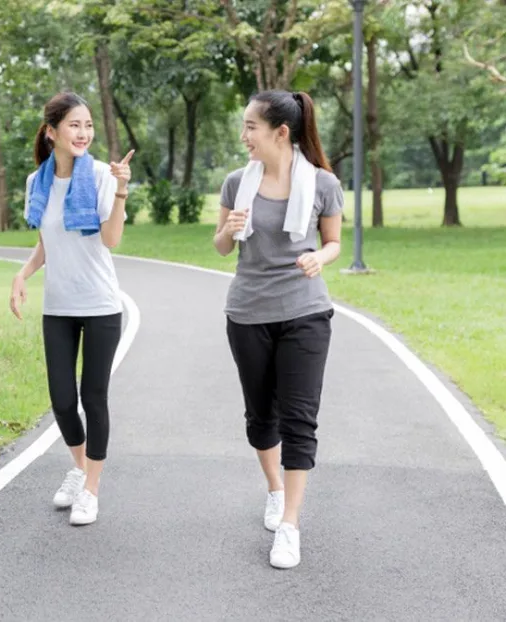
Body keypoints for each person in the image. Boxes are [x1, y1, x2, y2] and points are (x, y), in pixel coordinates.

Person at [213, 90, 343, 569]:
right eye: (244, 125)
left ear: (280, 132)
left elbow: (333, 243)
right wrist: (230, 229)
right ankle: (274, 489)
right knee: (260, 416)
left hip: (306, 312)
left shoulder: (323, 184)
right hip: (248, 314)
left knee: (299, 420)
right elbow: (221, 248)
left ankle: (290, 524)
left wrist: (318, 257)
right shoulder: (235, 184)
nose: (244, 135)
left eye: (250, 126)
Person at [9, 91, 133, 526]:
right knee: (62, 401)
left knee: (91, 397)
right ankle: (79, 468)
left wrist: (120, 190)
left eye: (88, 126)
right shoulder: (36, 182)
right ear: (52, 132)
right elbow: (48, 239)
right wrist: (23, 274)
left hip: (99, 304)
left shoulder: (100, 175)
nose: (83, 133)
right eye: (74, 125)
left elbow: (111, 239)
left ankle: (91, 489)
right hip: (58, 307)